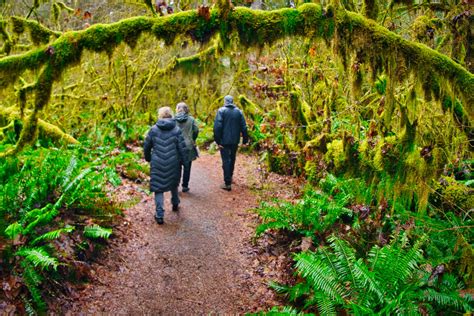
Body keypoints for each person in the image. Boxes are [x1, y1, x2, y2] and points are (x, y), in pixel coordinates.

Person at [144, 107, 187, 224]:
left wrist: (148, 158)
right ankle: (175, 202)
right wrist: (184, 161)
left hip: (157, 162)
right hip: (173, 162)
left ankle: (159, 215)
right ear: (171, 115)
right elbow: (182, 148)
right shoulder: (176, 130)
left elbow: (147, 146)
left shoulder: (153, 130)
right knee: (173, 182)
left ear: (160, 115)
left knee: (158, 188)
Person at [213, 95, 249, 191]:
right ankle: (230, 176)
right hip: (235, 141)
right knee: (232, 158)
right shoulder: (239, 112)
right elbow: (244, 127)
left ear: (225, 101)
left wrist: (218, 140)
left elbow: (217, 127)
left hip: (224, 141)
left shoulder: (221, 111)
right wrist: (245, 140)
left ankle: (227, 183)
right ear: (232, 101)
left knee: (225, 160)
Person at [175, 102, 199, 192]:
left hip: (176, 146)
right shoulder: (191, 119)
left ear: (177, 109)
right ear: (187, 109)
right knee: (187, 167)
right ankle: (185, 186)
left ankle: (176, 185)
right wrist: (193, 139)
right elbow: (196, 130)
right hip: (188, 146)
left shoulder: (173, 119)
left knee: (177, 167)